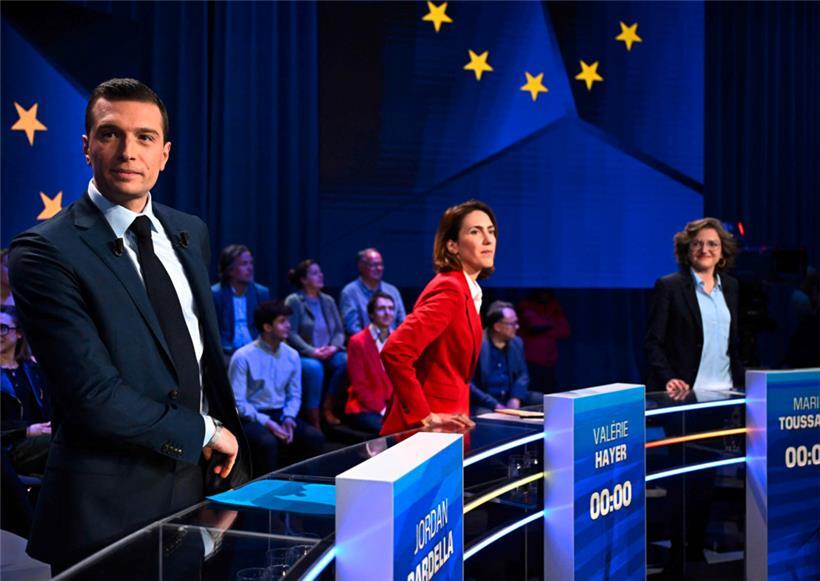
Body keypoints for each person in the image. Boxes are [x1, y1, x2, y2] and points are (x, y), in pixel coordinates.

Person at [8, 78, 250, 571]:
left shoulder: (190, 232)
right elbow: (92, 396)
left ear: (164, 153)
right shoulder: (43, 251)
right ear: (86, 146)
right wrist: (205, 431)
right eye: (110, 133)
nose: (127, 151)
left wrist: (222, 459)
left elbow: (202, 357)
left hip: (204, 486)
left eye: (144, 137)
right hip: (107, 509)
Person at [380, 200, 496, 435]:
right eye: (475, 231)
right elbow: (395, 350)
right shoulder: (450, 290)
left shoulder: (467, 290)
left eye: (491, 231)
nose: (488, 239)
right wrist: (424, 415)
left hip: (451, 426)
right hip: (424, 434)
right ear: (452, 245)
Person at [645, 217, 745, 396]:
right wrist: (669, 378)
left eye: (712, 244)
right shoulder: (669, 286)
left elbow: (734, 344)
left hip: (728, 392)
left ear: (722, 252)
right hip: (685, 395)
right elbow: (653, 343)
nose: (704, 250)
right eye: (697, 244)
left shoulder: (732, 287)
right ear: (687, 250)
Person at [229, 301, 325, 477]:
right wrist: (267, 422)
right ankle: (266, 493)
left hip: (280, 413)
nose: (288, 326)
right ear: (267, 327)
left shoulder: (292, 355)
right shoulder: (242, 357)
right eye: (282, 321)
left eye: (288, 321)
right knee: (267, 442)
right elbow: (238, 403)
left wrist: (289, 417)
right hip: (251, 416)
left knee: (315, 437)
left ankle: (305, 487)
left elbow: (295, 395)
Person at [284, 260, 347, 428]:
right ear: (304, 280)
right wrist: (311, 351)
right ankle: (314, 419)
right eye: (315, 273)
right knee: (314, 368)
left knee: (345, 360)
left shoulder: (328, 300)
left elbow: (340, 331)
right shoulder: (294, 301)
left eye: (320, 272)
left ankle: (328, 407)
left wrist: (333, 347)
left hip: (328, 351)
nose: (321, 276)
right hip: (305, 354)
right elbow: (290, 333)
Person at [1, 305, 51, 476]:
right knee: (62, 444)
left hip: (39, 439)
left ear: (19, 333)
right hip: (9, 445)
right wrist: (27, 430)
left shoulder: (33, 369)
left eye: (3, 328)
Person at [470, 301, 536, 415]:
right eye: (512, 323)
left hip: (510, 397)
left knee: (544, 402)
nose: (517, 327)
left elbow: (523, 375)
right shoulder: (477, 344)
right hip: (486, 402)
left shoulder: (517, 342)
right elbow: (470, 384)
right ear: (497, 327)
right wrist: (495, 405)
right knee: (487, 417)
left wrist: (516, 397)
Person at [344, 291, 396, 434]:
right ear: (371, 314)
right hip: (365, 407)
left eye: (391, 308)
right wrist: (383, 410)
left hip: (393, 407)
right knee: (390, 431)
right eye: (381, 309)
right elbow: (359, 385)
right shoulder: (357, 342)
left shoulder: (398, 339)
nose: (387, 313)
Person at [211, 244, 271, 357]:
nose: (250, 268)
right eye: (244, 264)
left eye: (251, 263)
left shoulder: (261, 293)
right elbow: (212, 331)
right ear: (230, 270)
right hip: (227, 351)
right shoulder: (215, 294)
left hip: (256, 349)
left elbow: (266, 327)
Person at [339, 248, 407, 336]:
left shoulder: (392, 291)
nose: (379, 268)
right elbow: (352, 328)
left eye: (380, 264)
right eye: (374, 265)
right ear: (361, 266)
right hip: (364, 346)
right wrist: (375, 343)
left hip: (392, 344)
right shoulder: (349, 292)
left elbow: (402, 322)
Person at [517, 289, 570, 393]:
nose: (543, 295)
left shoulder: (554, 306)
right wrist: (551, 324)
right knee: (533, 392)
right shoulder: (525, 306)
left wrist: (545, 327)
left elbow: (564, 331)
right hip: (531, 361)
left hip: (550, 361)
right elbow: (534, 325)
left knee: (549, 392)